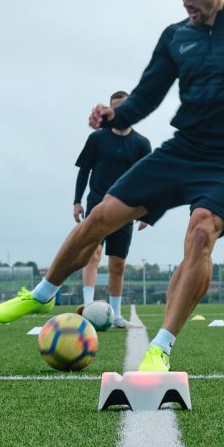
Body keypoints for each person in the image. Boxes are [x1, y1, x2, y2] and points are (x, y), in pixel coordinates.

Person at [0, 0, 224, 372]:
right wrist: (114, 115)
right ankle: (42, 293)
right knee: (101, 215)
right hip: (183, 148)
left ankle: (161, 347)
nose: (188, 2)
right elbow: (149, 93)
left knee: (200, 235)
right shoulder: (176, 36)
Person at [73, 90, 152, 326]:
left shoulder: (141, 143)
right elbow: (84, 170)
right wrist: (77, 201)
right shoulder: (97, 139)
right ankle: (88, 308)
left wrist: (148, 210)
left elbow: (147, 178)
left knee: (118, 263)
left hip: (125, 208)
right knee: (92, 255)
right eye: (114, 107)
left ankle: (116, 315)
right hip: (97, 204)